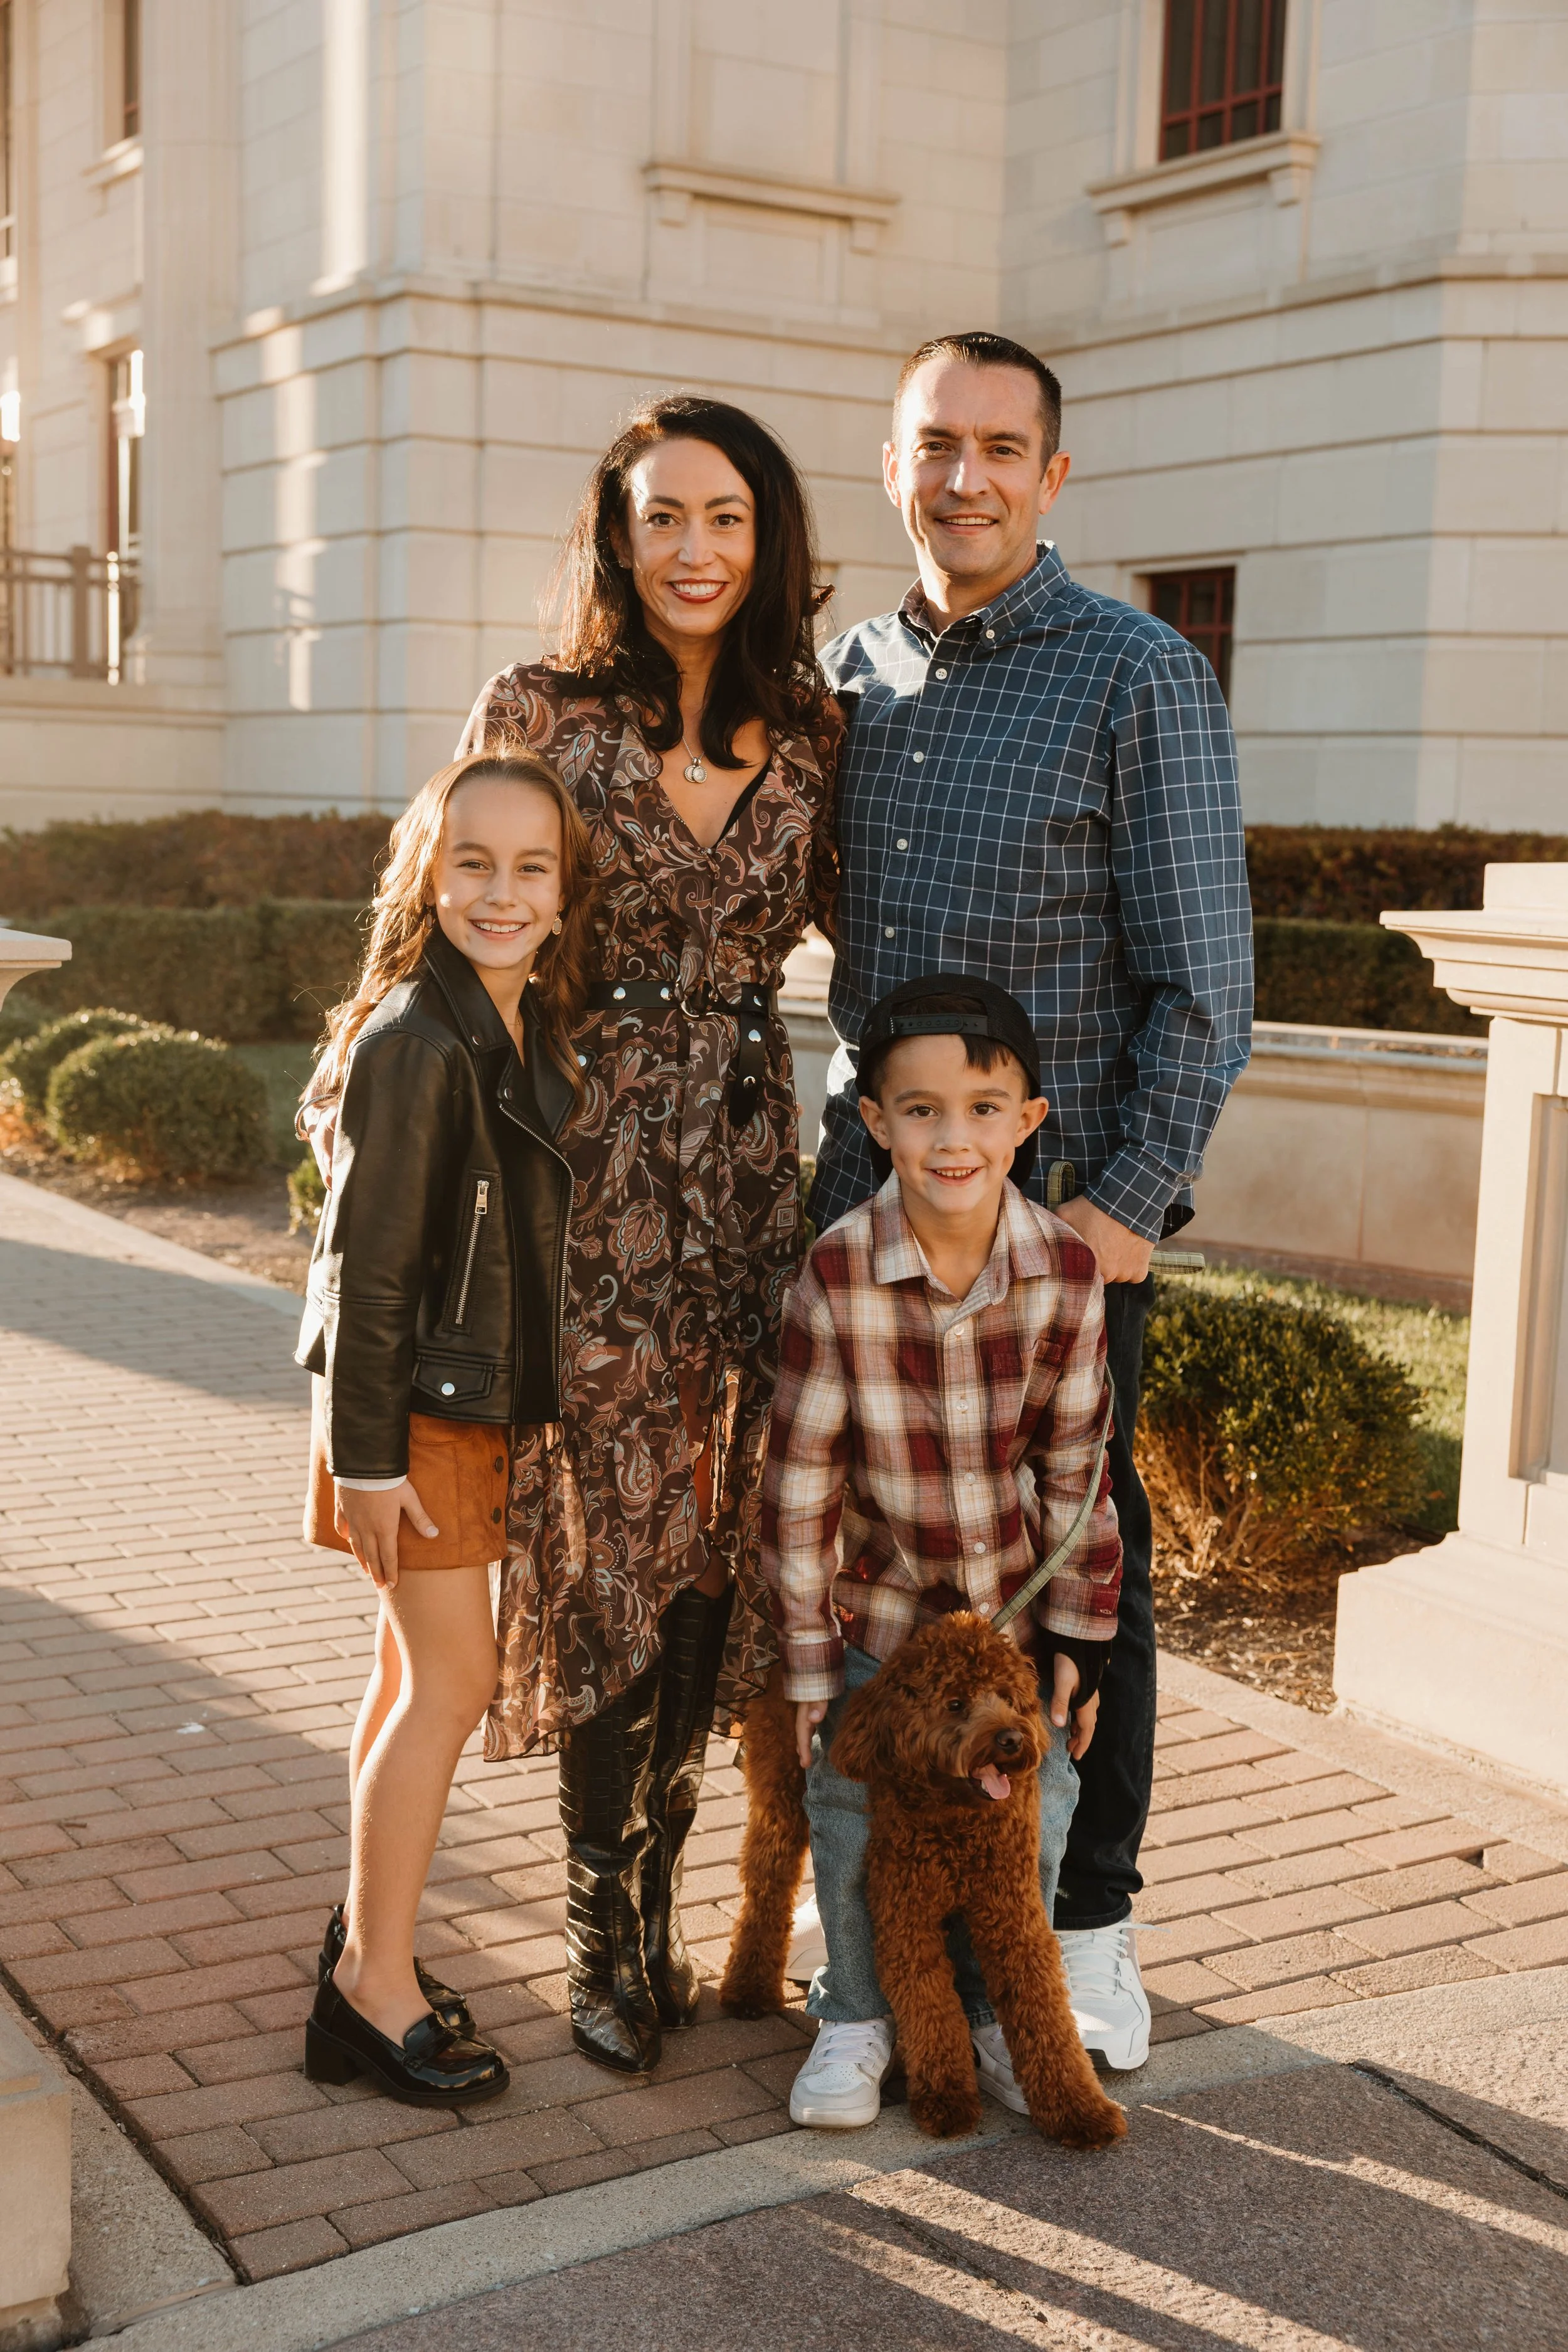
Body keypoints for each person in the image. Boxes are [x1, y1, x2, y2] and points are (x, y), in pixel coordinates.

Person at [812, 330, 1252, 2071]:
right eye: (936, 444)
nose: (965, 477)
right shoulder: (850, 677)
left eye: (1002, 447)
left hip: (1056, 1232)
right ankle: (908, 1918)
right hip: (870, 1215)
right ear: (893, 461)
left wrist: (1125, 1210)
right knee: (895, 1574)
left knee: (1081, 1576)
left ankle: (1092, 1921)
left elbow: (1204, 978)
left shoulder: (1133, 673)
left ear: (1052, 476)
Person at [458, 395, 840, 2075]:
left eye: (727, 518)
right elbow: (453, 923)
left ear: (768, 541)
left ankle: (669, 1890)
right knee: (611, 1530)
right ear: (615, 535)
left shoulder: (816, 732)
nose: (693, 547)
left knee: (721, 1535)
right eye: (661, 515)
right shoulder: (539, 711)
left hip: (753, 1179)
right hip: (590, 1173)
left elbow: (889, 936)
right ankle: (597, 1918)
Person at [763, 975, 1121, 2129]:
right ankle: (858, 2011)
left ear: (1029, 1117)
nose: (951, 1135)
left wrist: (1079, 1640)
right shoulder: (837, 1272)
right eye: (919, 1110)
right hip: (878, 1614)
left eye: (981, 1105)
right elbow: (801, 1489)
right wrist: (815, 1676)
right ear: (873, 1123)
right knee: (851, 1798)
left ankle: (984, 2018)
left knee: (1044, 1794)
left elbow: (1077, 1477)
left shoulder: (1065, 1271)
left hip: (1006, 1632)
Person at [294, 745, 596, 2104]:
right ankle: (373, 1992)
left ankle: (370, 1947)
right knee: (451, 1687)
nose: (501, 890)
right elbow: (368, 1265)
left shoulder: (505, 1018)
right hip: (416, 1419)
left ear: (562, 888)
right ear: (430, 867)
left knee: (401, 1679)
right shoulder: (420, 1039)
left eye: (531, 867)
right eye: (473, 861)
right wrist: (365, 1458)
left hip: (441, 1409)